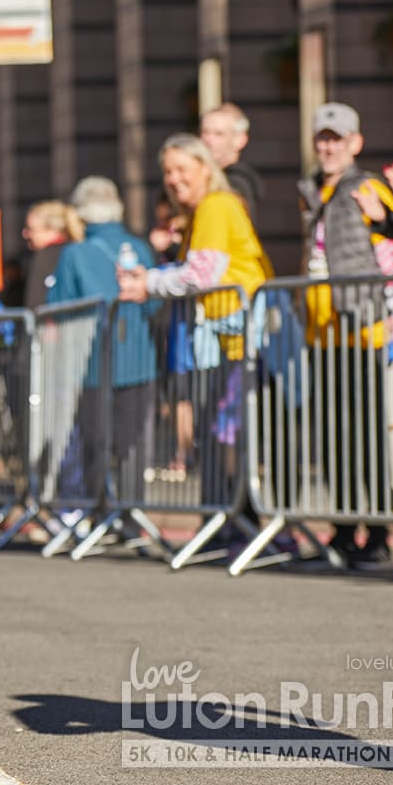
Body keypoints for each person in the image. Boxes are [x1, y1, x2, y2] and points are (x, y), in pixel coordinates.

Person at [117, 134, 272, 522]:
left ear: (206, 169)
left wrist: (148, 283)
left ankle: (238, 524)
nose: (173, 179)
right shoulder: (201, 212)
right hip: (222, 338)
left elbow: (201, 275)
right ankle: (224, 521)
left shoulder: (216, 205)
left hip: (235, 339)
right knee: (218, 435)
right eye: (168, 171)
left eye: (182, 169)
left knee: (227, 435)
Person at [296, 101, 393, 571]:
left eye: (336, 139)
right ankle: (342, 532)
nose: (328, 147)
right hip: (323, 332)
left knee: (367, 434)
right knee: (332, 435)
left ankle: (377, 535)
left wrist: (392, 309)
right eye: (322, 139)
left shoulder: (367, 186)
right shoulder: (313, 189)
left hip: (363, 329)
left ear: (355, 143)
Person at [52, 177, 158, 499]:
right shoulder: (140, 247)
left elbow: (60, 307)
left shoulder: (75, 254)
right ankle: (131, 510)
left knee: (96, 443)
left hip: (91, 362)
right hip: (138, 357)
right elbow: (155, 303)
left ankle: (100, 510)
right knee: (131, 443)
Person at [199, 102, 265, 226]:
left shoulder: (237, 183)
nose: (208, 140)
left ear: (240, 140)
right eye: (205, 132)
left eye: (219, 134)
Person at [21, 200, 84, 309]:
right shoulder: (77, 251)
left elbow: (34, 303)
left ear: (51, 229)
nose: (25, 234)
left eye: (31, 230)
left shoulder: (44, 257)